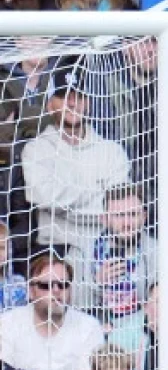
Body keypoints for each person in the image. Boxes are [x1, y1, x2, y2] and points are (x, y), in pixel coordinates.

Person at [21, 76, 131, 252]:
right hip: (53, 252)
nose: (73, 103)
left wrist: (64, 205)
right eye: (64, 96)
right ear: (49, 105)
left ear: (88, 103)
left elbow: (121, 207)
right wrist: (97, 192)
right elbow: (45, 198)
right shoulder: (35, 149)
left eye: (79, 96)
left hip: (104, 250)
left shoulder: (112, 151)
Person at [0, 253, 104, 370]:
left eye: (63, 285)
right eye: (46, 285)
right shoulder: (8, 323)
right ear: (30, 291)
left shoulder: (89, 326)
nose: (56, 291)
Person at [68, 187, 158, 325]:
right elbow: (69, 303)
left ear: (144, 217)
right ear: (104, 219)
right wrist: (97, 283)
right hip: (92, 333)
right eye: (119, 215)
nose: (127, 223)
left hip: (141, 333)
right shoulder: (82, 250)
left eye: (133, 214)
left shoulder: (156, 250)